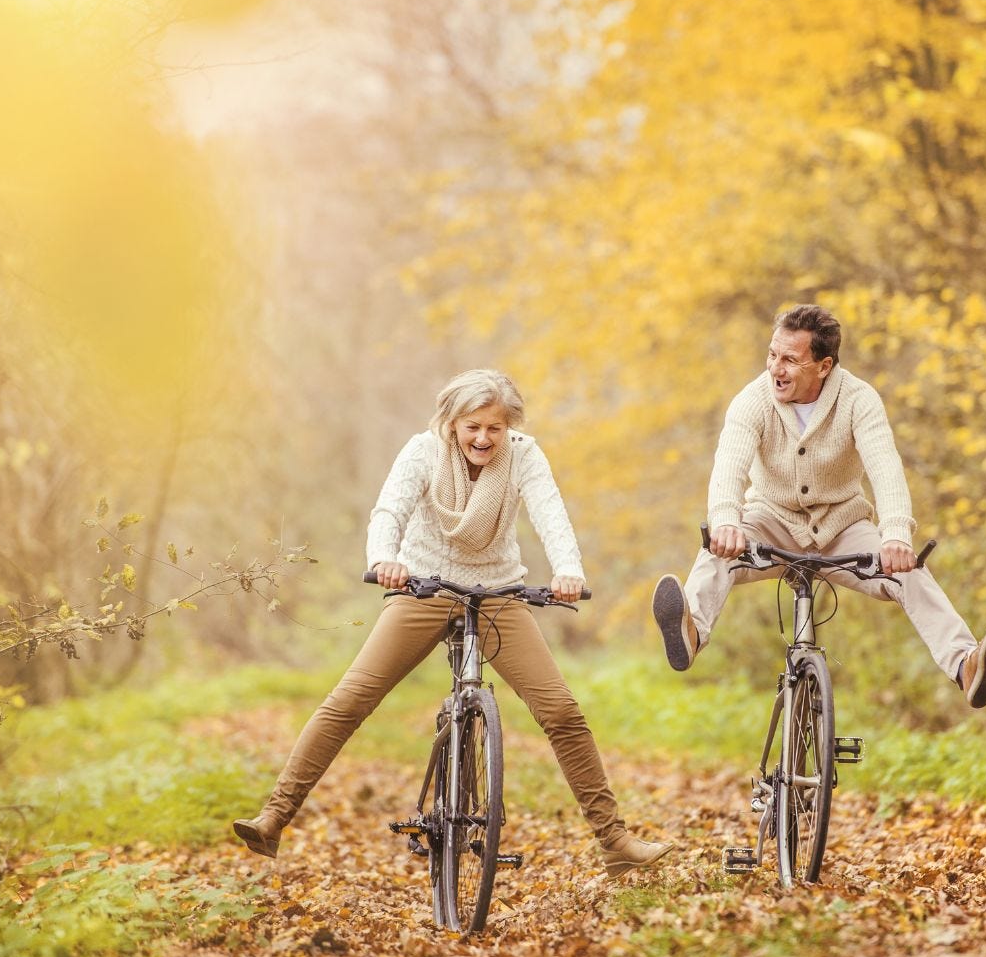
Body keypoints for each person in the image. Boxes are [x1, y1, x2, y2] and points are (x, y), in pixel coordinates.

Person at [234, 369, 673, 877]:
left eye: (495, 428)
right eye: (472, 428)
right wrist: (385, 559)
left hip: (499, 592)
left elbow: (552, 514)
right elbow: (389, 512)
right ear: (451, 424)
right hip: (422, 586)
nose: (484, 439)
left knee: (561, 711)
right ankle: (274, 818)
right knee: (350, 699)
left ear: (509, 427)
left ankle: (614, 841)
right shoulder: (422, 451)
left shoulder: (525, 455)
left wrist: (568, 570)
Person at [651, 305, 986, 708]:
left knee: (911, 573)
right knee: (713, 556)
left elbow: (886, 469)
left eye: (790, 359)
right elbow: (728, 469)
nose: (776, 368)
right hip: (769, 521)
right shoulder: (752, 401)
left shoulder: (859, 400)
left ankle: (965, 664)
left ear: (824, 366)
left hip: (843, 528)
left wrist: (896, 535)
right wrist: (725, 522)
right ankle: (691, 632)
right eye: (772, 355)